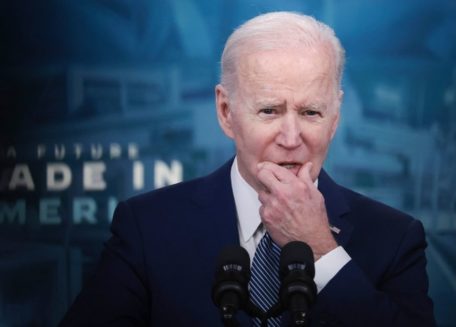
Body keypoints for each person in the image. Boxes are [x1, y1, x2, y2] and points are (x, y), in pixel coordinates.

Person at [61, 12, 434, 326]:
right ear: (226, 112)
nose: (291, 137)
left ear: (334, 118)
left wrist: (322, 250)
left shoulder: (395, 238)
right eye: (269, 111)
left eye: (310, 113)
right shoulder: (147, 227)